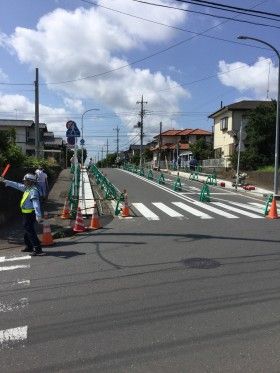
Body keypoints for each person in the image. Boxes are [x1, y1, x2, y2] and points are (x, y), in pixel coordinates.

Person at [0, 173, 45, 256]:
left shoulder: (33, 191)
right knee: (27, 230)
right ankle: (29, 246)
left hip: (30, 214)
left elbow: (36, 204)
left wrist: (38, 215)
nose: (24, 182)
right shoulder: (27, 188)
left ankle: (38, 249)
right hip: (26, 214)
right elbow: (17, 185)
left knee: (30, 231)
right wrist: (5, 181)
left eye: (25, 181)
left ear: (30, 182)